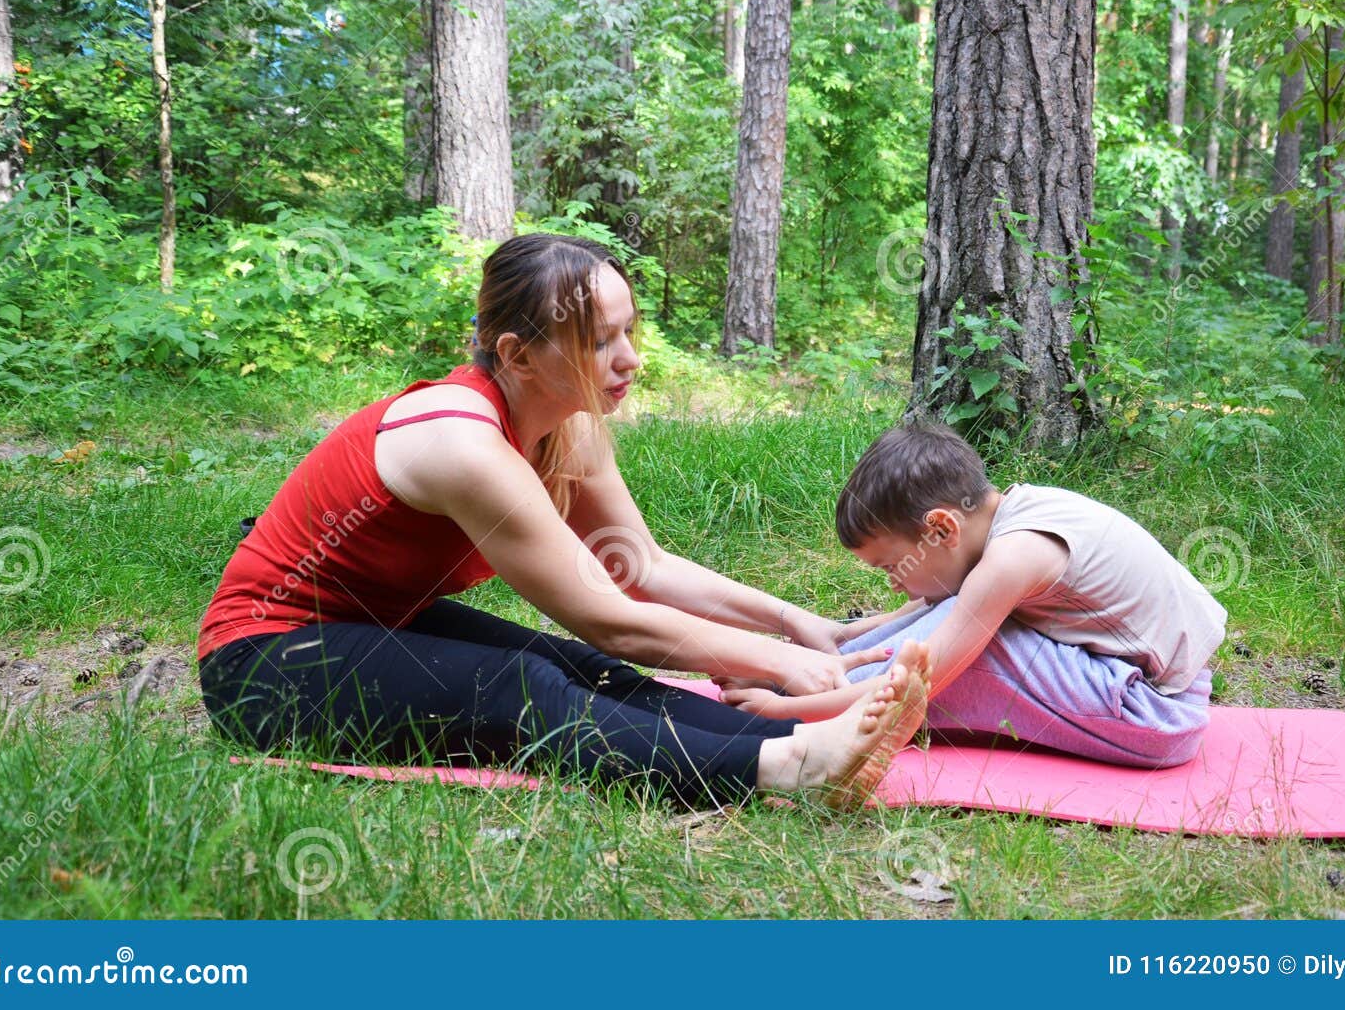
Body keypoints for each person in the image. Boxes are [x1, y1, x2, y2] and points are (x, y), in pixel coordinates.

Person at [198, 233, 931, 809]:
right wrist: (773, 661)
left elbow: (638, 565)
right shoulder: (463, 444)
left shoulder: (565, 422)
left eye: (630, 332)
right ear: (517, 354)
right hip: (263, 662)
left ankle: (808, 735)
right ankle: (789, 769)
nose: (631, 360)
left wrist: (801, 626)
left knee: (579, 671)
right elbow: (612, 616)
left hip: (377, 624)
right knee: (525, 686)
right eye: (599, 341)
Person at [719, 422, 1225, 769]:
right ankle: (802, 675)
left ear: (941, 527)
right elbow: (937, 599)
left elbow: (921, 679)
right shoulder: (1010, 514)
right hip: (1137, 688)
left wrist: (781, 711)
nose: (894, 581)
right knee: (959, 613)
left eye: (895, 566)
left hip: (1157, 717)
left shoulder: (1012, 560)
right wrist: (838, 639)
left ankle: (802, 692)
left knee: (979, 643)